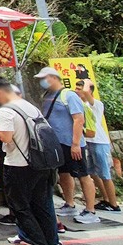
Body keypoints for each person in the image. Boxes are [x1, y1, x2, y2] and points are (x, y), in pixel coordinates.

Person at [0, 77, 58, 245]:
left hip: (19, 165)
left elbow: (7, 138)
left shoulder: (7, 111)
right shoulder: (28, 106)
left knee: (20, 207)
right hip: (40, 163)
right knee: (40, 206)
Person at [35, 67, 100, 224]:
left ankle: (91, 210)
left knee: (83, 175)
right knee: (64, 174)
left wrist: (76, 144)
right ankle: (69, 203)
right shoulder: (48, 95)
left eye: (44, 78)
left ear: (53, 77)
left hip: (71, 143)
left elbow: (79, 119)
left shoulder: (69, 95)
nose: (41, 82)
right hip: (57, 143)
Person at [75, 80, 121, 212]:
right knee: (93, 173)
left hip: (99, 142)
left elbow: (85, 91)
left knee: (105, 174)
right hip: (89, 142)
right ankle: (106, 199)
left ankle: (114, 204)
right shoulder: (81, 104)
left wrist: (86, 81)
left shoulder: (96, 104)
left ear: (89, 91)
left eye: (80, 89)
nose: (77, 91)